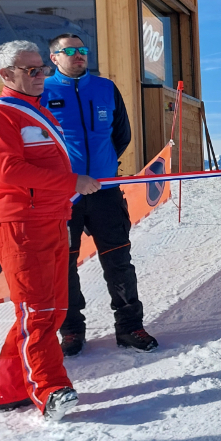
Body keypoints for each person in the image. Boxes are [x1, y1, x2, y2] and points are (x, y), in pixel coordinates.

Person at [0, 40, 101, 421]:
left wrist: (69, 192)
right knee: (38, 310)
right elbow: (9, 170)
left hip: (53, 219)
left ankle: (7, 389)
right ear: (5, 74)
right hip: (21, 223)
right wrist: (72, 183)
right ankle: (50, 390)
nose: (40, 76)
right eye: (30, 70)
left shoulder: (39, 112)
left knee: (54, 309)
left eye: (41, 69)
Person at [41, 34, 157, 356]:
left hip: (105, 191)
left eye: (82, 50)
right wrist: (69, 177)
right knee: (63, 266)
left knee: (119, 261)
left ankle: (130, 327)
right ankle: (71, 331)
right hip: (64, 196)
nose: (78, 55)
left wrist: (102, 169)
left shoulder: (106, 88)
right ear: (54, 58)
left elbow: (122, 135)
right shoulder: (43, 91)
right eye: (69, 51)